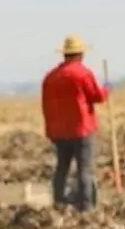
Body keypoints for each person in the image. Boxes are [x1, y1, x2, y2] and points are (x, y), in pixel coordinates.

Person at [41, 35, 109, 213]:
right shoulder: (83, 73)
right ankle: (86, 207)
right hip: (81, 129)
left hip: (59, 131)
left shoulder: (50, 77)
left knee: (62, 168)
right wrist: (107, 90)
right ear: (80, 54)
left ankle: (58, 202)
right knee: (85, 170)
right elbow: (97, 96)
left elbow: (46, 106)